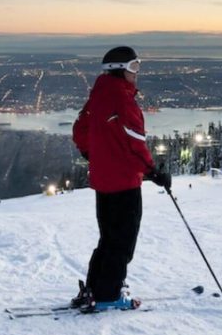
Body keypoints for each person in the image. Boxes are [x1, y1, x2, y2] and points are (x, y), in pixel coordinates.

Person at [70, 46, 172, 311]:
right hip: (124, 183)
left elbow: (80, 128)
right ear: (119, 70)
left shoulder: (99, 94)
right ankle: (109, 295)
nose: (136, 74)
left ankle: (95, 288)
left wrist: (93, 153)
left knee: (108, 238)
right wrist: (154, 173)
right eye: (133, 67)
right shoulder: (124, 101)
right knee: (123, 242)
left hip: (103, 183)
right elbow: (135, 144)